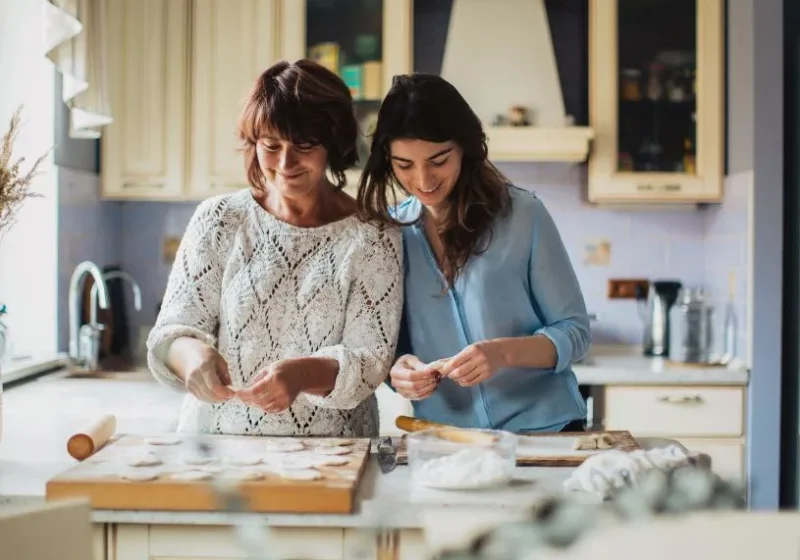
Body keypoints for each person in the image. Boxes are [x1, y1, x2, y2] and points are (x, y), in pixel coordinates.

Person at [147, 60, 404, 437]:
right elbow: (172, 331)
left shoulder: (374, 236)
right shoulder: (219, 219)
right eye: (271, 145)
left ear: (332, 145)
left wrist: (300, 375)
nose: (285, 163)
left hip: (332, 454)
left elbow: (370, 360)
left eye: (304, 145)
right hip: (217, 447)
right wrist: (193, 357)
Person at [356, 73, 590, 433]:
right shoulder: (391, 235)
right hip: (448, 440)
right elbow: (392, 348)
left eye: (439, 160)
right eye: (404, 165)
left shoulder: (524, 215)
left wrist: (501, 353)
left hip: (547, 432)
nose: (423, 179)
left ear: (465, 148)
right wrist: (399, 371)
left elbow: (575, 332)